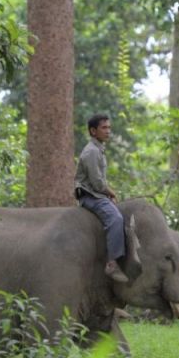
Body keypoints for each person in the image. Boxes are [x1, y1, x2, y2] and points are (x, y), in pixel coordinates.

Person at [74, 114, 129, 283]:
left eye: (109, 128)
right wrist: (110, 192)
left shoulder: (98, 149)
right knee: (115, 219)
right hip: (90, 196)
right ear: (93, 131)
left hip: (96, 194)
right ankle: (112, 264)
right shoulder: (91, 152)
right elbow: (97, 184)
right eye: (104, 128)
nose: (108, 131)